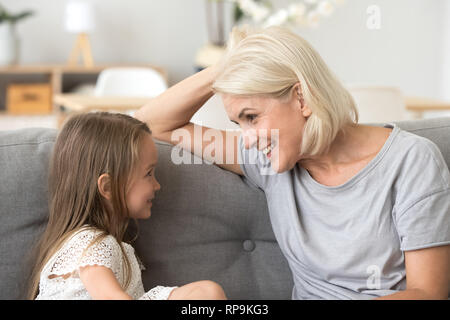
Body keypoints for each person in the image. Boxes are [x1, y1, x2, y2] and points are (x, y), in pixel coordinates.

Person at [135, 26, 450, 300]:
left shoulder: (411, 161)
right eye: (238, 122)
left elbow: (428, 292)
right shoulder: (267, 162)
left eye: (252, 117)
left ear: (302, 99)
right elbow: (151, 122)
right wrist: (230, 64)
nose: (246, 138)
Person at [27, 112, 226, 300]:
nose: (157, 185)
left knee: (207, 292)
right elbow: (109, 296)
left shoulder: (113, 246)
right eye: (149, 174)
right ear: (107, 187)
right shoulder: (90, 243)